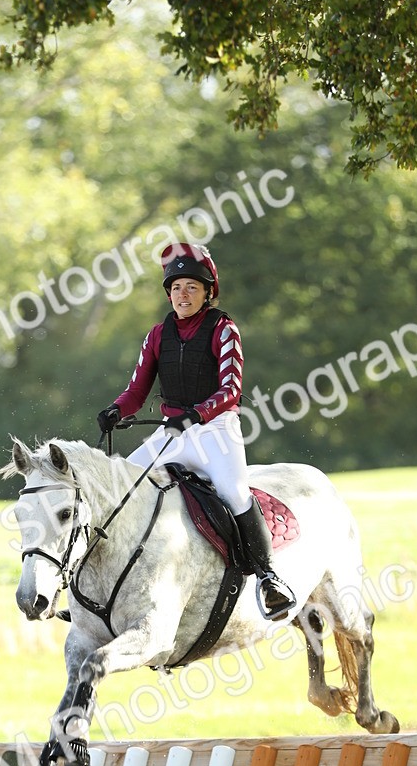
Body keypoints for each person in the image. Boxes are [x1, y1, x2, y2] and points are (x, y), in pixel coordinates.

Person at [97, 242, 296, 622]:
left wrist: (195, 415)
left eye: (191, 287)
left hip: (216, 430)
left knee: (234, 492)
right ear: (168, 294)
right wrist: (116, 410)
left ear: (207, 292)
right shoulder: (157, 335)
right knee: (120, 484)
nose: (183, 294)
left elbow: (231, 390)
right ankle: (101, 583)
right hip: (173, 432)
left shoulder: (223, 329)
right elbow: (136, 391)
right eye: (176, 288)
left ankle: (269, 578)